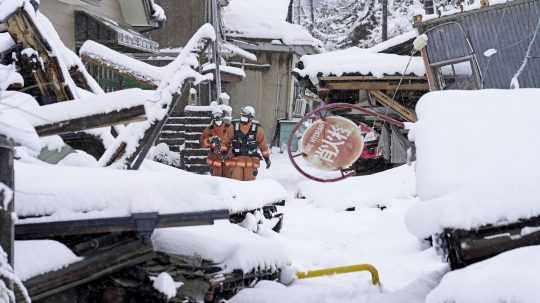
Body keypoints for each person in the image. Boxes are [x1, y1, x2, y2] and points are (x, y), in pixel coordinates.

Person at [222, 106, 271, 181]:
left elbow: (263, 145)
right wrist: (223, 153)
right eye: (242, 116)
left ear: (251, 118)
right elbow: (225, 142)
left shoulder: (258, 130)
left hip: (251, 162)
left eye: (245, 117)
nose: (243, 119)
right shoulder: (233, 128)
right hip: (236, 160)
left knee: (249, 184)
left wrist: (267, 158)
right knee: (236, 182)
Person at [200, 109, 231, 177]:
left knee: (228, 178)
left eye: (219, 117)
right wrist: (210, 140)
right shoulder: (209, 129)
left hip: (227, 156)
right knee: (216, 178)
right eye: (216, 118)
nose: (218, 120)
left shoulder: (229, 128)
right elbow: (203, 142)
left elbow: (234, 139)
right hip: (214, 156)